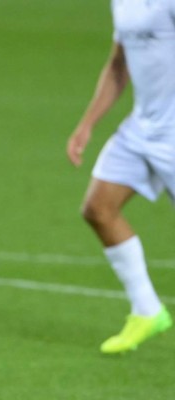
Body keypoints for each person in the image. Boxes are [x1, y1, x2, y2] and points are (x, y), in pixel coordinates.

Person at [66, 0, 174, 354]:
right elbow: (118, 64)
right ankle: (147, 309)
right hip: (142, 130)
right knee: (98, 208)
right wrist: (87, 125)